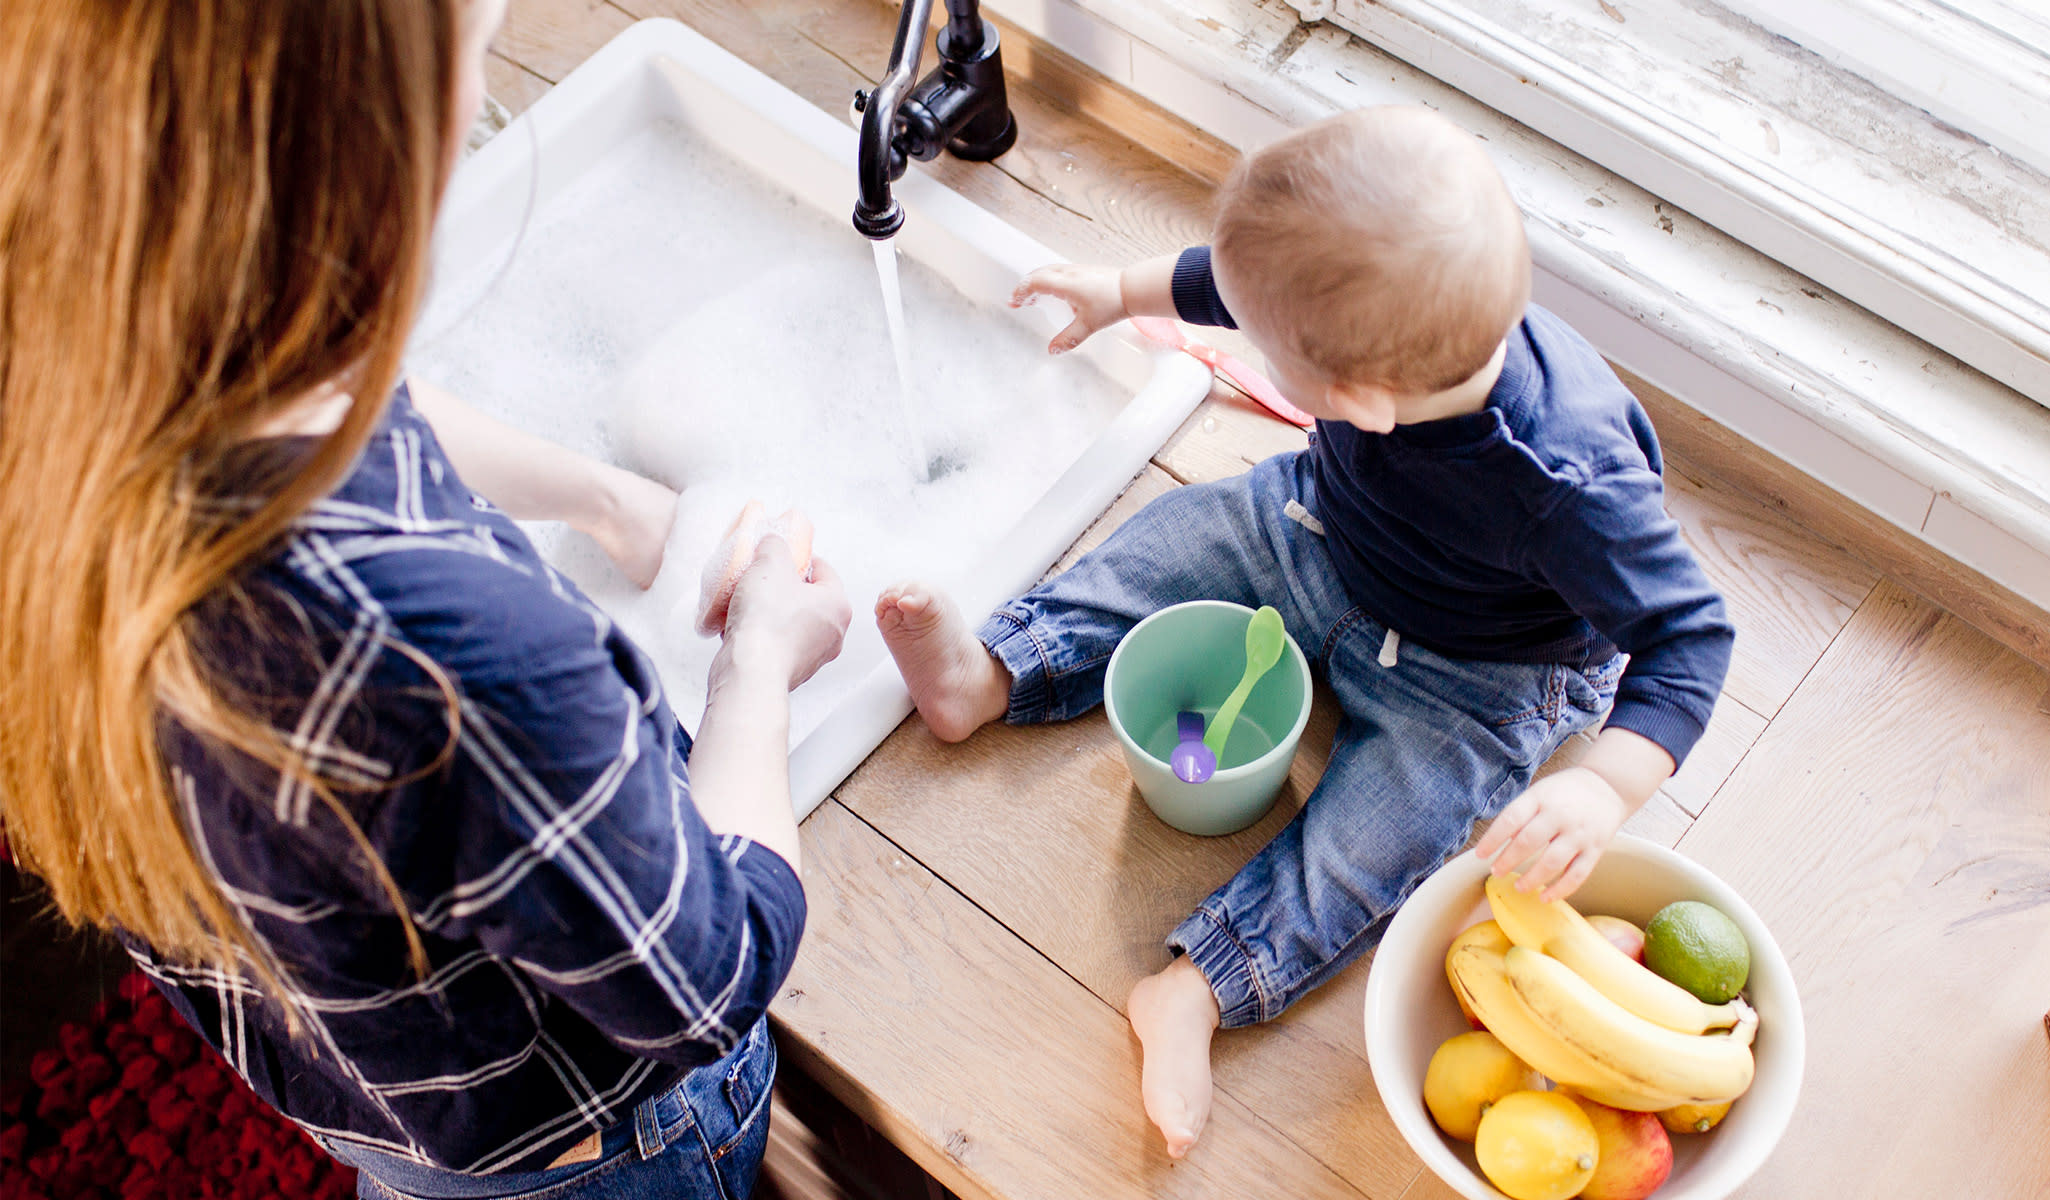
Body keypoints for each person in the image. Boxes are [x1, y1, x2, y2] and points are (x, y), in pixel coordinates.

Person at [0, 1, 850, 1195]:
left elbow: (337, 395)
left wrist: (609, 502)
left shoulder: (72, 352)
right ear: (363, 141)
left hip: (362, 1084)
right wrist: (756, 663)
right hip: (593, 1159)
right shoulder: (441, 660)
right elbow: (708, 972)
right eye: (472, 59)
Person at [875, 106, 1735, 1158]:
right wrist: (1122, 291)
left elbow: (1693, 638)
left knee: (1383, 833)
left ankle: (1196, 986)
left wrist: (1603, 784)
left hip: (1480, 674)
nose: (1234, 331)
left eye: (1263, 351)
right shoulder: (1372, 342)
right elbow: (1238, 283)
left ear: (1363, 403)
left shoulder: (1569, 484)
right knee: (1179, 537)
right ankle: (998, 671)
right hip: (1318, 533)